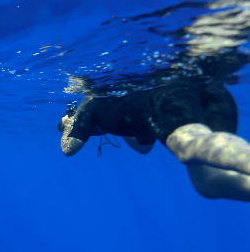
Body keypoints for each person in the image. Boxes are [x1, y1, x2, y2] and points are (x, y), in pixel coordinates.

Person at [58, 55, 250, 202]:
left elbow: (69, 149)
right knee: (209, 184)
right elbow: (144, 147)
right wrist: (122, 128)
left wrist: (68, 125)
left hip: (167, 95)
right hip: (207, 89)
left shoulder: (87, 110)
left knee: (188, 146)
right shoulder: (115, 110)